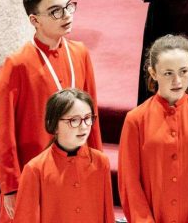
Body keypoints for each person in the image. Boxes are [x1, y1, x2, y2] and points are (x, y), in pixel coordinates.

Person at [0, 0, 102, 223]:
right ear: (34, 20)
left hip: (76, 169)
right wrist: (10, 186)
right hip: (34, 173)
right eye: (55, 11)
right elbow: (2, 131)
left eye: (69, 6)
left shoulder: (80, 53)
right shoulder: (17, 64)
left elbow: (92, 116)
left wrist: (96, 165)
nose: (66, 15)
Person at [118, 34, 188, 223]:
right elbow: (129, 181)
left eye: (183, 71)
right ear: (153, 73)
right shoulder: (136, 119)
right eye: (168, 73)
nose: (177, 81)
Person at [13, 89, 114, 223]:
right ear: (54, 125)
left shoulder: (101, 162)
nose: (84, 127)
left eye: (87, 118)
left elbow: (107, 215)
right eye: (74, 120)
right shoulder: (35, 169)